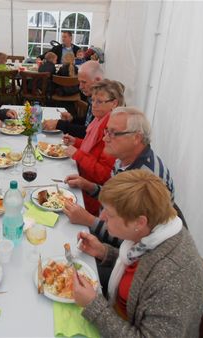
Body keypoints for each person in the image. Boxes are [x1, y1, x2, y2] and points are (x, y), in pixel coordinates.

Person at [73, 170, 203, 337]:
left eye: (110, 213)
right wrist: (104, 252)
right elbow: (140, 267)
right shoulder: (155, 231)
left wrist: (94, 306)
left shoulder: (173, 277)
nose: (102, 217)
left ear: (139, 222)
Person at [63, 107, 175, 294]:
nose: (105, 138)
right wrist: (90, 186)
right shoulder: (123, 159)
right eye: (106, 131)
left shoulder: (145, 179)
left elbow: (130, 233)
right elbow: (116, 202)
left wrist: (89, 221)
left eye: (113, 133)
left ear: (136, 138)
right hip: (117, 244)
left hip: (137, 262)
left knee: (66, 269)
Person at [62, 80, 124, 215]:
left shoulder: (112, 130)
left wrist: (77, 154)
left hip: (91, 196)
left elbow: (103, 174)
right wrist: (76, 142)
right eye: (93, 100)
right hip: (82, 178)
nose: (93, 105)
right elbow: (92, 149)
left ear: (114, 103)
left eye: (99, 101)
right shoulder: (99, 120)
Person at [42, 60, 103, 138]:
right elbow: (87, 122)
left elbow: (89, 133)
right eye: (79, 82)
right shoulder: (94, 97)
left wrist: (60, 124)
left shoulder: (104, 103)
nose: (80, 87)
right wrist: (72, 120)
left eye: (84, 82)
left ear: (97, 80)